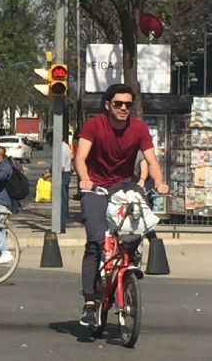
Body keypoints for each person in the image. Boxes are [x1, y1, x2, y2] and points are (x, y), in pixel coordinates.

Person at [75, 83, 169, 327]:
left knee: (138, 226)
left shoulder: (138, 128)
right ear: (108, 105)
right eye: (118, 104)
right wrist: (85, 179)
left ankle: (128, 264)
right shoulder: (94, 125)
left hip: (124, 186)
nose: (124, 108)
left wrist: (159, 182)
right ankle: (89, 302)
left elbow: (151, 159)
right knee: (95, 242)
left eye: (128, 104)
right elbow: (81, 157)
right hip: (95, 187)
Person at [61, 140, 72, 226]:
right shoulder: (66, 146)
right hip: (67, 174)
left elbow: (61, 167)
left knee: (61, 200)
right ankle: (64, 219)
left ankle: (61, 223)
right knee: (64, 198)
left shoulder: (61, 148)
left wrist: (50, 173)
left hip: (63, 175)